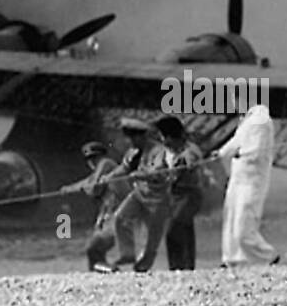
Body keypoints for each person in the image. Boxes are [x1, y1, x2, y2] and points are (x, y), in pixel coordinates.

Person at [217, 104, 278, 266]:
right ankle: (231, 258)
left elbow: (256, 150)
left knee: (243, 225)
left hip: (252, 180)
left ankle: (267, 256)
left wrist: (239, 153)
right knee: (230, 219)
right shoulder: (247, 120)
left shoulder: (261, 120)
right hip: (238, 178)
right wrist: (221, 153)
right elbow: (235, 142)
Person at [109, 117, 172, 272]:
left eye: (134, 138)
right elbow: (124, 168)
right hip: (139, 194)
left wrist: (142, 174)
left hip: (157, 198)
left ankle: (143, 266)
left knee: (152, 235)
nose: (131, 142)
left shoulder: (159, 151)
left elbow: (159, 171)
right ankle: (127, 253)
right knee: (120, 218)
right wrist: (108, 176)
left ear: (142, 136)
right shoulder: (132, 152)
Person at [61, 141, 129, 270]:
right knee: (95, 250)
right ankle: (106, 272)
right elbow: (87, 182)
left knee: (93, 249)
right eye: (89, 159)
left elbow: (94, 189)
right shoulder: (103, 168)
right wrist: (69, 189)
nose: (91, 162)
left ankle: (111, 272)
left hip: (119, 216)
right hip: (111, 216)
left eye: (93, 158)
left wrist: (84, 188)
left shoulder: (106, 164)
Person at [155, 116, 205, 270]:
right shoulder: (164, 153)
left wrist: (189, 163)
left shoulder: (190, 150)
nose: (161, 139)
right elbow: (157, 169)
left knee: (174, 228)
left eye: (162, 136)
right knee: (184, 228)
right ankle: (182, 268)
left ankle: (182, 266)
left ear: (169, 136)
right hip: (173, 196)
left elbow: (194, 161)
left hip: (190, 195)